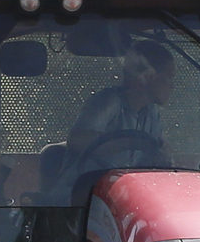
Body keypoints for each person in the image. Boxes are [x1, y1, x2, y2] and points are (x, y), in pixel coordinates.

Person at [66, 37, 179, 169]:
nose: (172, 86)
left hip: (122, 186)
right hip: (84, 186)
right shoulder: (109, 102)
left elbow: (157, 150)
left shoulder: (151, 113)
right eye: (169, 77)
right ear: (148, 76)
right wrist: (131, 142)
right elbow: (78, 141)